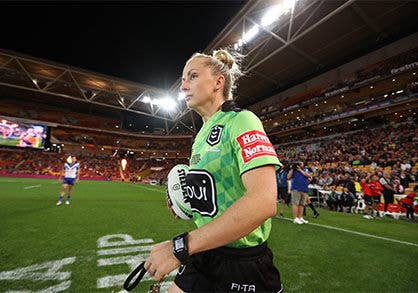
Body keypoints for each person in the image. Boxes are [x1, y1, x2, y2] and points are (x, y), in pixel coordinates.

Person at [144, 49, 283, 292]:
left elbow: (263, 201)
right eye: (183, 79)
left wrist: (181, 247)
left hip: (243, 263)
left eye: (193, 76)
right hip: (205, 250)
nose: (183, 85)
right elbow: (216, 196)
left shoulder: (241, 120)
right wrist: (188, 202)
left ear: (219, 82)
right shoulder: (200, 136)